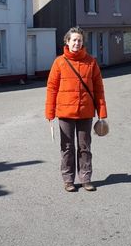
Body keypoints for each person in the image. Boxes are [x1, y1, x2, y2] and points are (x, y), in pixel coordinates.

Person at [45, 27, 107, 192]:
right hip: (65, 113)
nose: (77, 43)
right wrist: (50, 113)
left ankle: (86, 178)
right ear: (67, 41)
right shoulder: (59, 62)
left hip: (85, 112)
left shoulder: (91, 62)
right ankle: (68, 180)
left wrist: (102, 113)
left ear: (82, 42)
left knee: (84, 147)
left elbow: (99, 89)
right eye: (74, 40)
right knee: (67, 147)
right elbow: (51, 88)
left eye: (79, 40)